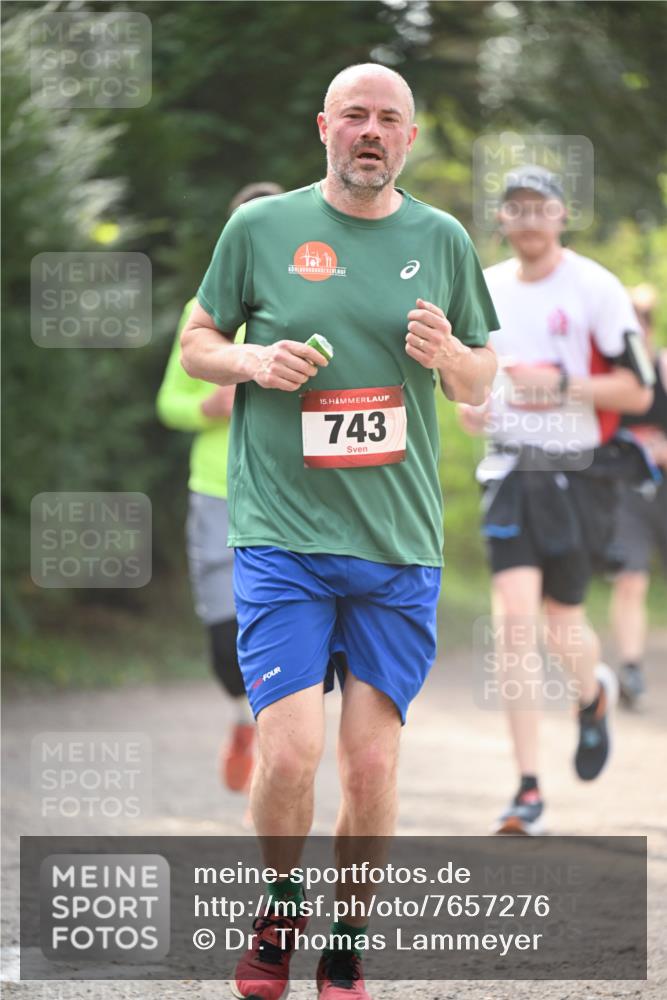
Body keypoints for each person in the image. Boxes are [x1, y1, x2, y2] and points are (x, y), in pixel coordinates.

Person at [181, 63, 498, 1000]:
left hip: (396, 546)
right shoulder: (261, 228)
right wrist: (248, 359)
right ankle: (279, 911)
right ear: (323, 125)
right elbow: (197, 340)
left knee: (368, 764)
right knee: (289, 753)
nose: (369, 130)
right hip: (281, 537)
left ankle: (347, 937)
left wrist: (450, 359)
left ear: (408, 138)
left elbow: (484, 378)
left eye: (387, 119)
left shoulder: (441, 238)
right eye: (353, 114)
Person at [460, 165, 653, 836]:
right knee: (514, 623)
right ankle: (527, 790)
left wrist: (560, 383)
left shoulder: (595, 287)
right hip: (510, 472)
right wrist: (473, 407)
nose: (527, 218)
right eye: (514, 208)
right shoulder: (482, 288)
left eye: (539, 206)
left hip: (579, 476)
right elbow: (468, 390)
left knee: (561, 624)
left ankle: (591, 692)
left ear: (560, 214)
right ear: (502, 219)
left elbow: (637, 391)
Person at [156, 182, 283, 794]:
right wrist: (212, 404)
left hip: (284, 492)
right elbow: (168, 405)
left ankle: (277, 736)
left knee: (281, 620)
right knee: (220, 633)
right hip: (215, 489)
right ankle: (242, 716)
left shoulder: (301, 311)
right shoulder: (202, 312)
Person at [609, 284, 667, 706]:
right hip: (624, 490)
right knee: (630, 578)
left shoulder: (663, 368)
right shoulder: (608, 377)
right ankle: (630, 668)